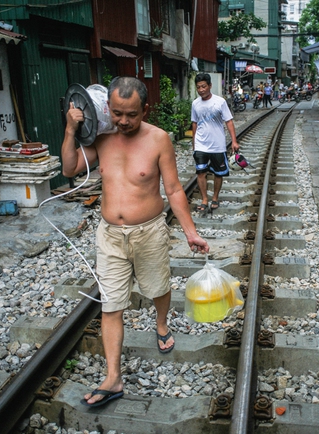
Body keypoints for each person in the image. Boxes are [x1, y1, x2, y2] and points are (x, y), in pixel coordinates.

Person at [62, 77, 210, 407]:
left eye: (131, 114)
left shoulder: (159, 139)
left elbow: (173, 190)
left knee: (157, 288)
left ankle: (161, 323)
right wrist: (71, 130)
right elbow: (69, 167)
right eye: (117, 113)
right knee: (111, 305)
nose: (123, 122)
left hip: (150, 232)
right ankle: (113, 378)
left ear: (144, 109)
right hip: (110, 236)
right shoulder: (100, 137)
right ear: (107, 109)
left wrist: (190, 232)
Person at [191, 73, 240, 212]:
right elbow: (194, 123)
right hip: (201, 144)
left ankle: (215, 197)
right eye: (198, 87)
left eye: (203, 86)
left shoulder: (220, 102)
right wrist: (194, 144)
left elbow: (229, 121)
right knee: (201, 172)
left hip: (217, 144)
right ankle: (204, 199)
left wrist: (234, 141)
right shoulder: (195, 103)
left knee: (218, 173)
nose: (201, 90)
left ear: (210, 86)